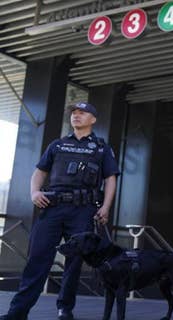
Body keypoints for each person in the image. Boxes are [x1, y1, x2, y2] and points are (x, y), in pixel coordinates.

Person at [1, 102, 119, 320]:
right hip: (52, 208)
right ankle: (18, 312)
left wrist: (106, 207)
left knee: (73, 263)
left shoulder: (101, 148)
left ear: (93, 119)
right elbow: (39, 172)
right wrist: (34, 193)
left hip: (83, 210)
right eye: (74, 113)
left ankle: (65, 309)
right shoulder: (57, 145)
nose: (76, 115)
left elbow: (110, 179)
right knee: (37, 260)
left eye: (82, 113)